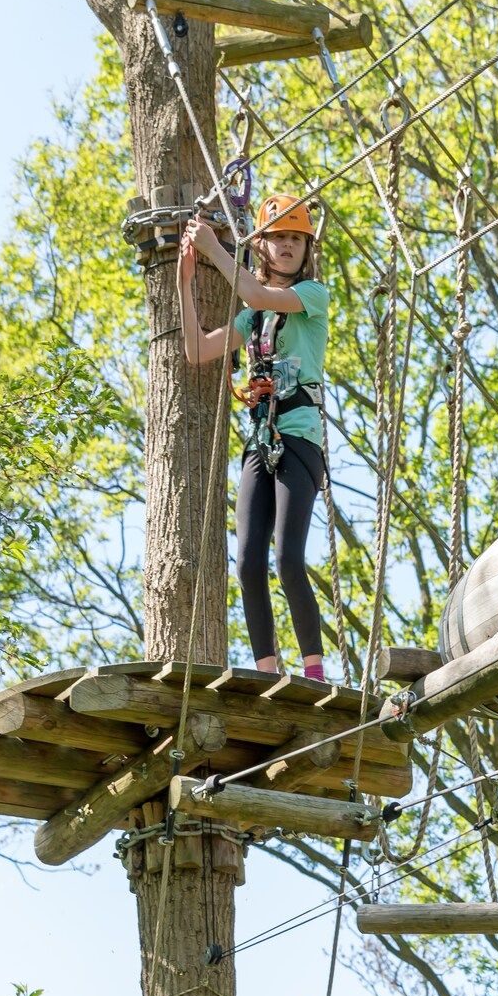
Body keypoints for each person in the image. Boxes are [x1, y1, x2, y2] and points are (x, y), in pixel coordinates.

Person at [177, 192, 331, 680]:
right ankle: (267, 667)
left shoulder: (312, 297)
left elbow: (257, 293)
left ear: (306, 250)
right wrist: (184, 282)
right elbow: (198, 350)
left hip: (299, 439)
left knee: (287, 558)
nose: (286, 247)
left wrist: (216, 251)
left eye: (295, 239)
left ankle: (313, 670)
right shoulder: (252, 319)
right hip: (260, 443)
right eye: (277, 238)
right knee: (247, 563)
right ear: (261, 248)